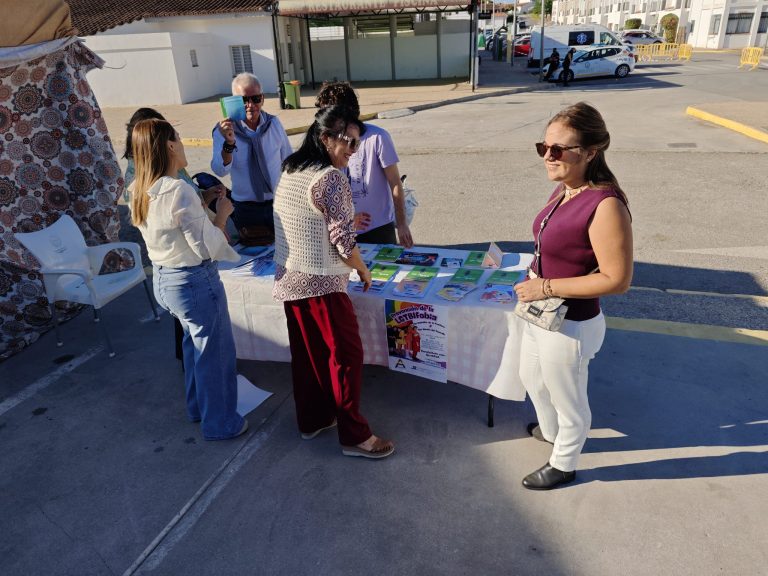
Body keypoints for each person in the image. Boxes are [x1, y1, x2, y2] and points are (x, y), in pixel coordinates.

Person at [513, 102, 633, 490]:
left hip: (571, 323)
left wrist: (545, 286)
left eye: (559, 149)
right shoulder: (565, 190)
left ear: (591, 151)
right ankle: (552, 433)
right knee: (531, 377)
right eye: (543, 147)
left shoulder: (606, 204)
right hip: (540, 313)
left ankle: (564, 461)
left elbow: (617, 279)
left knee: (569, 398)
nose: (548, 156)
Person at [272, 105, 395, 459]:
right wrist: (363, 269)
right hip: (321, 283)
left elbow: (305, 219)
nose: (353, 152)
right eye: (348, 143)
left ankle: (312, 421)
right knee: (346, 356)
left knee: (308, 355)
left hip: (289, 277)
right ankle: (355, 436)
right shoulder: (330, 177)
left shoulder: (292, 168)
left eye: (358, 144)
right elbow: (344, 243)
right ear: (325, 138)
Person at [131, 119, 248, 441]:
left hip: (167, 281)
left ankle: (199, 408)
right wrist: (222, 214)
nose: (182, 144)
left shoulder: (142, 188)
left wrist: (204, 201)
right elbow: (205, 245)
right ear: (169, 146)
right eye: (179, 138)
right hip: (194, 281)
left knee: (196, 349)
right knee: (216, 354)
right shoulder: (177, 189)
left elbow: (173, 227)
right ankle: (221, 423)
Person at [314, 82, 414, 248]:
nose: (326, 118)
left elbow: (395, 183)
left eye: (330, 112)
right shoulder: (326, 140)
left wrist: (402, 224)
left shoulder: (378, 137)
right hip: (342, 228)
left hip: (379, 229)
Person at [211, 73, 292, 235]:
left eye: (255, 99)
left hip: (279, 204)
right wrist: (229, 144)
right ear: (233, 101)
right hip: (246, 208)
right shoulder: (223, 130)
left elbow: (289, 161)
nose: (250, 105)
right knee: (252, 255)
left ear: (262, 99)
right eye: (243, 100)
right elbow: (220, 170)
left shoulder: (273, 124)